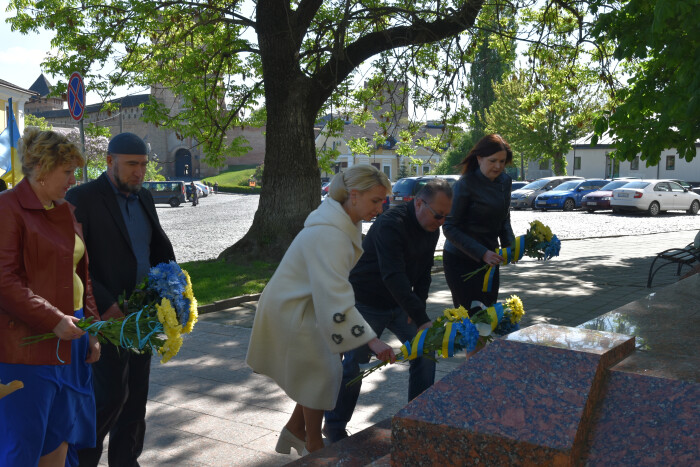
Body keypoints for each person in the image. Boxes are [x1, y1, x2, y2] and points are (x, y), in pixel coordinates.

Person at [246, 165, 397, 455]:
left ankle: (296, 430)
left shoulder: (341, 220)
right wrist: (372, 340)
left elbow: (332, 289)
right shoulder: (332, 233)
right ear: (354, 195)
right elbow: (335, 294)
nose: (380, 207)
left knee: (318, 372)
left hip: (304, 302)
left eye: (382, 201)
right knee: (323, 374)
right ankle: (313, 446)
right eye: (375, 201)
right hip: (294, 308)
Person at [65, 132, 175, 467]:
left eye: (142, 165)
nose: (139, 172)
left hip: (141, 317)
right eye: (131, 164)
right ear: (110, 161)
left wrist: (172, 289)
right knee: (108, 398)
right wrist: (106, 302)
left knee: (135, 399)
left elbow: (156, 248)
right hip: (104, 318)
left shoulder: (144, 198)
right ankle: (85, 460)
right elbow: (73, 262)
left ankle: (126, 461)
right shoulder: (81, 197)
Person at [323, 179, 453, 443]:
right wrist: (421, 317)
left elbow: (424, 273)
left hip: (400, 304)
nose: (441, 222)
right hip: (366, 302)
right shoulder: (390, 225)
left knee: (425, 351)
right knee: (354, 366)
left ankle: (418, 420)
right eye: (438, 215)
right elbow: (392, 275)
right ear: (419, 202)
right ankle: (334, 428)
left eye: (446, 217)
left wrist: (418, 306)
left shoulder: (432, 228)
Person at [0, 128, 101, 466]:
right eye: (68, 171)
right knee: (24, 443)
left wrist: (92, 330)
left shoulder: (63, 209)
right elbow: (4, 280)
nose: (74, 179)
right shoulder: (8, 208)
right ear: (43, 168)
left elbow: (81, 275)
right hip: (27, 345)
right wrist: (53, 320)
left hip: (70, 336)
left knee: (62, 435)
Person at [442, 133, 515, 310]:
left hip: (490, 260)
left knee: (489, 314)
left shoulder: (505, 181)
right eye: (493, 161)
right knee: (470, 317)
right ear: (480, 158)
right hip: (461, 259)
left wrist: (511, 246)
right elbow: (449, 227)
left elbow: (504, 217)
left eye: (502, 161)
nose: (498, 166)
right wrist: (482, 253)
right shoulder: (465, 184)